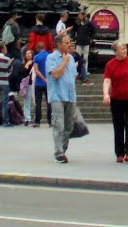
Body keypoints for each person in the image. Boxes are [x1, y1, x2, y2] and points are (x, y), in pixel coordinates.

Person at [103, 40, 128, 164]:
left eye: (125, 48)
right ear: (115, 51)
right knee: (118, 126)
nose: (125, 51)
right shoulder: (110, 64)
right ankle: (120, 153)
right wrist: (106, 94)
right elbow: (107, 81)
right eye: (122, 49)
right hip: (116, 99)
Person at [46, 34, 78, 163]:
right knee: (58, 124)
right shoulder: (51, 57)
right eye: (66, 42)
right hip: (57, 96)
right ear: (59, 44)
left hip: (70, 96)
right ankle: (58, 153)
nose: (69, 44)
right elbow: (55, 75)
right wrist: (64, 63)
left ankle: (63, 149)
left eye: (69, 42)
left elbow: (73, 77)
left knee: (69, 126)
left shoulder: (71, 58)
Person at [72, 12, 96, 83]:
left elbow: (93, 31)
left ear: (84, 16)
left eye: (81, 16)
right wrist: (74, 38)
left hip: (86, 42)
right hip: (79, 41)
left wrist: (90, 37)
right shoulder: (77, 23)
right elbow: (74, 31)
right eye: (79, 16)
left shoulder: (88, 23)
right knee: (77, 57)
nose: (80, 17)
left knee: (85, 57)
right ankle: (77, 71)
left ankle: (85, 70)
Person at [16, 49, 35, 126]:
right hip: (27, 84)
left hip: (33, 83)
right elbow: (22, 73)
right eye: (26, 53)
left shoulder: (34, 63)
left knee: (33, 100)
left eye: (29, 53)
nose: (28, 55)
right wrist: (27, 65)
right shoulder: (23, 64)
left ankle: (33, 117)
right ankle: (27, 118)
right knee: (27, 101)